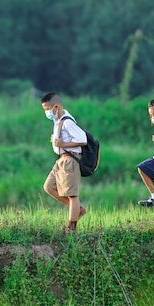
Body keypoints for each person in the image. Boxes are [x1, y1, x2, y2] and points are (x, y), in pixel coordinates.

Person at [41, 92, 88, 234]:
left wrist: (63, 144)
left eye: (47, 109)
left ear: (56, 106)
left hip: (70, 160)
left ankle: (71, 227)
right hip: (61, 159)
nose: (47, 113)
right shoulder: (57, 121)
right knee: (48, 186)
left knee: (72, 194)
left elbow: (83, 139)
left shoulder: (67, 121)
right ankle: (77, 210)